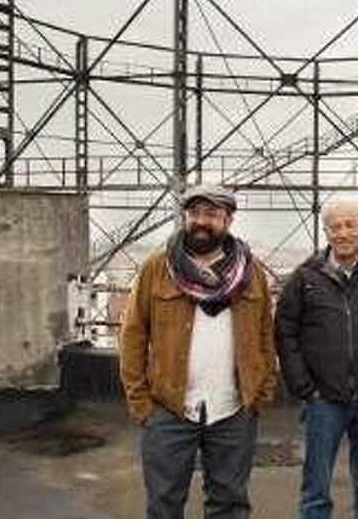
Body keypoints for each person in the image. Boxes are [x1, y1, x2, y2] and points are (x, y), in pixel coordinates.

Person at [118, 182, 277, 519]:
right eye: (194, 213)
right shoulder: (156, 268)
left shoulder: (251, 272)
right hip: (168, 409)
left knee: (230, 504)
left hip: (233, 409)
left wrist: (259, 393)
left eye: (212, 214)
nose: (201, 221)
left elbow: (265, 333)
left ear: (228, 220)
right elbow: (132, 336)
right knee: (163, 504)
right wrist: (142, 405)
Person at [275, 199, 358, 519]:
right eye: (335, 226)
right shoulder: (305, 277)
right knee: (315, 488)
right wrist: (304, 387)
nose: (343, 233)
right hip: (323, 399)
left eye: (350, 225)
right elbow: (285, 332)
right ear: (326, 232)